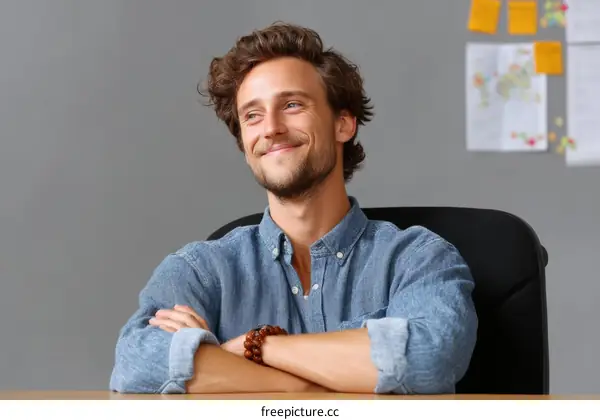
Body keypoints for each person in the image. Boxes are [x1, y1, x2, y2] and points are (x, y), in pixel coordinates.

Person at [109, 22, 478, 395]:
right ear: (244, 143)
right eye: (252, 115)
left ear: (343, 124)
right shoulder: (199, 271)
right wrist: (306, 389)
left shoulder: (419, 259)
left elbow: (428, 359)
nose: (270, 128)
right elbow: (135, 363)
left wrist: (255, 346)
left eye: (291, 105)